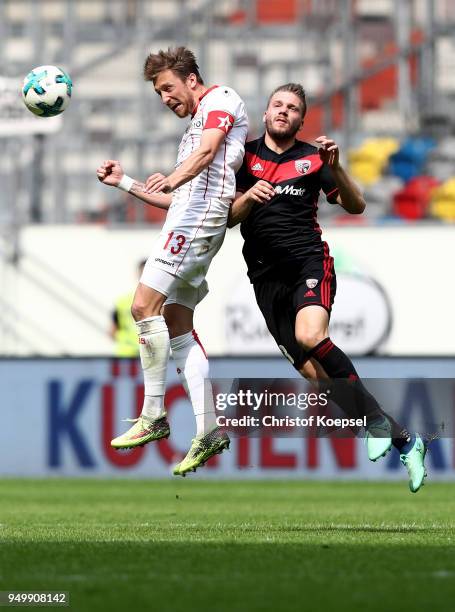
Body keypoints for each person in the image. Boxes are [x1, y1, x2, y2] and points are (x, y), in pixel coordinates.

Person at [228, 83, 427, 493]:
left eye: (293, 108)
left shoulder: (314, 158)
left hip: (308, 262)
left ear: (302, 119)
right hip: (265, 279)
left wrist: (336, 167)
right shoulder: (242, 157)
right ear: (265, 114)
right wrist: (249, 197)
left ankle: (373, 422)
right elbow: (228, 218)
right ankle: (405, 439)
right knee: (319, 379)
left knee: (311, 335)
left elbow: (356, 206)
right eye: (278, 105)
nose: (284, 112)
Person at [96, 47, 248, 476]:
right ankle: (209, 429)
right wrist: (124, 182)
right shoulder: (192, 131)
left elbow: (204, 157)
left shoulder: (222, 101)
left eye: (167, 87)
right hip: (189, 217)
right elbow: (175, 196)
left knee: (143, 307)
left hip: (202, 218)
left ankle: (153, 414)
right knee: (179, 323)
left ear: (192, 79)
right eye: (159, 92)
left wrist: (175, 174)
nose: (165, 98)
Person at [110, 259, 146, 357]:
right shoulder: (122, 301)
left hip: (135, 354)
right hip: (127, 355)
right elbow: (112, 330)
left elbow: (112, 332)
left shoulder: (122, 301)